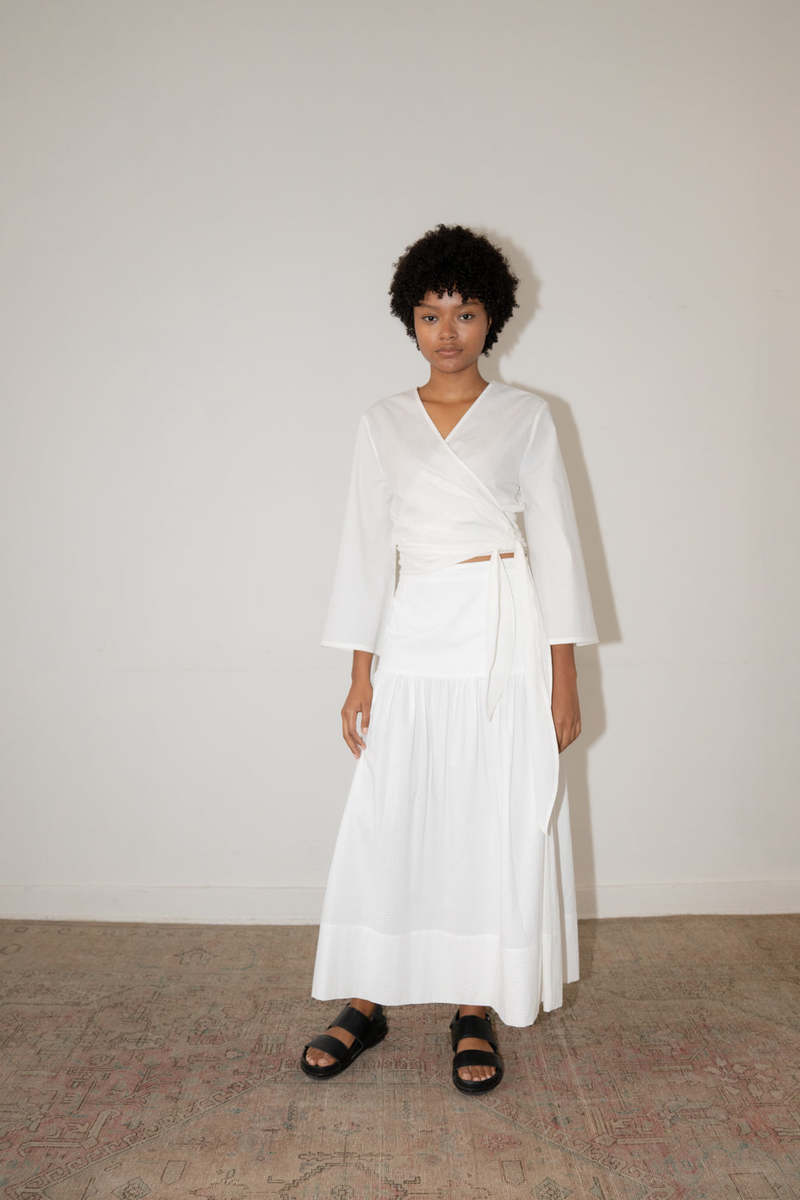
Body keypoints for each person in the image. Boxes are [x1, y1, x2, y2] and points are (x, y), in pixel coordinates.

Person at [300, 223, 598, 1094]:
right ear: (411, 320)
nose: (448, 332)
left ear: (491, 318)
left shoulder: (527, 418)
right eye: (431, 315)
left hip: (504, 637)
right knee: (391, 809)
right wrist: (359, 672)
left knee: (488, 812)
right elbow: (364, 552)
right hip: (416, 629)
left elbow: (559, 549)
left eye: (464, 313)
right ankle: (369, 996)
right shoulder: (383, 422)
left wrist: (565, 675)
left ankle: (476, 1003)